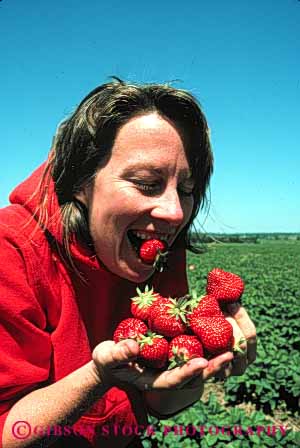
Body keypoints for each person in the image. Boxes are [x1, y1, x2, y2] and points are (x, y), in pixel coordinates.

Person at [0, 79, 256, 448]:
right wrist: (99, 376)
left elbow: (159, 402)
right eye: (146, 183)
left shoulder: (159, 253)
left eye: (186, 190)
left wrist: (195, 373)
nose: (175, 212)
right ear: (80, 182)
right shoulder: (13, 248)